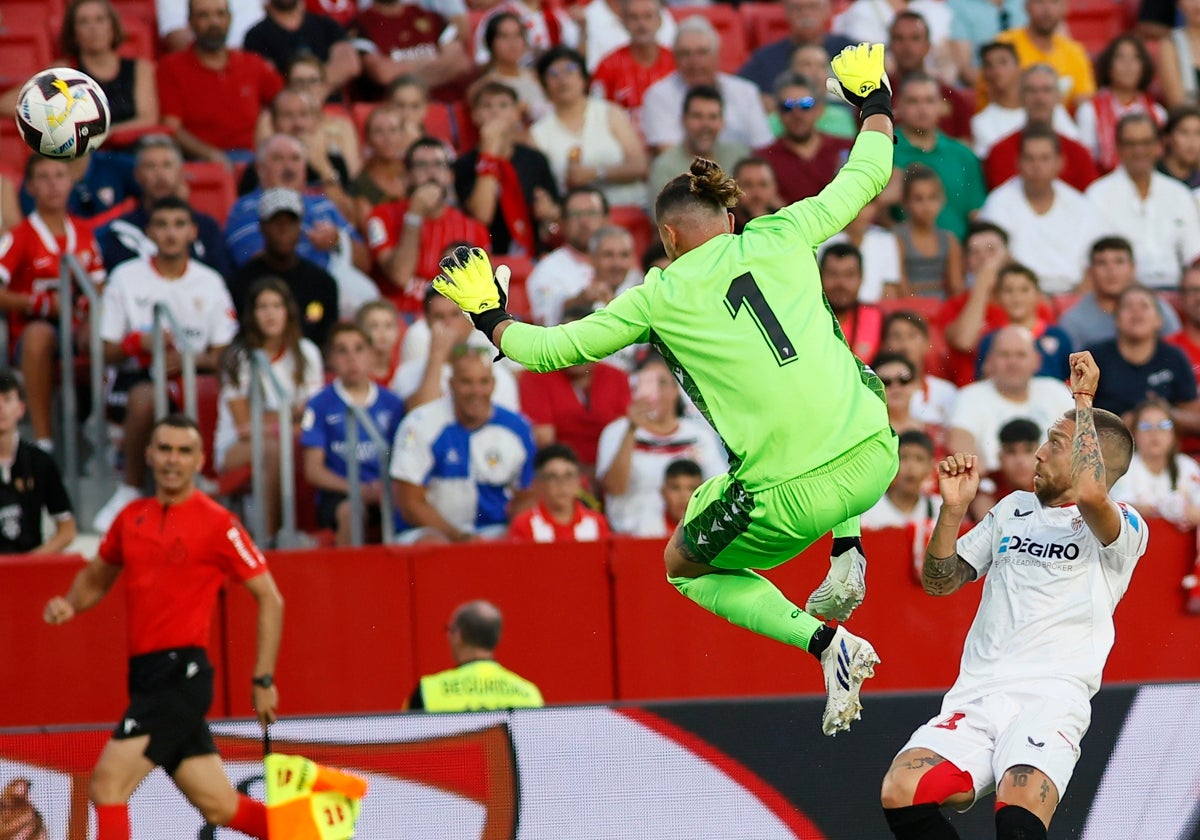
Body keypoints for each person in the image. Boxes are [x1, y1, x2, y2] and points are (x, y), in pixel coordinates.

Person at [432, 43, 900, 735]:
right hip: (879, 453)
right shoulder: (785, 230)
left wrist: (488, 314)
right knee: (836, 356)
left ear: (668, 237)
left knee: (681, 563)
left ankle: (827, 645)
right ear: (730, 218)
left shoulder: (658, 294)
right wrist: (874, 102)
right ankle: (848, 548)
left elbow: (552, 350)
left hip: (793, 498)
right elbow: (869, 170)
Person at [879, 352, 1145, 840]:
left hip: (1049, 698)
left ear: (1093, 460)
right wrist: (953, 512)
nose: (1040, 453)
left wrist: (1083, 400)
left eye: (1055, 444)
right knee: (902, 790)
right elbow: (942, 582)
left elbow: (1090, 494)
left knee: (1018, 821)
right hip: (978, 695)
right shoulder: (1012, 509)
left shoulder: (1124, 527)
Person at [43, 414, 284, 840]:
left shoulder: (218, 524)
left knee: (107, 785)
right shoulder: (130, 518)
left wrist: (263, 677)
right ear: (149, 455)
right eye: (166, 449)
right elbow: (96, 578)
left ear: (200, 460)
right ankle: (312, 835)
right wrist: (69, 604)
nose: (173, 460)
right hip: (147, 678)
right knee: (221, 804)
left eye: (184, 451)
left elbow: (270, 597)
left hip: (180, 675)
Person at [94, 197, 240, 533]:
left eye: (178, 225)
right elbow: (105, 347)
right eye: (162, 225)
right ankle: (129, 488)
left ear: (193, 232)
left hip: (193, 376)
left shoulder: (210, 282)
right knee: (146, 396)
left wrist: (189, 359)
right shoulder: (126, 277)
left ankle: (204, 480)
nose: (171, 233)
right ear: (150, 233)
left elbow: (224, 352)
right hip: (134, 375)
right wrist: (138, 343)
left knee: (214, 388)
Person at [0, 156, 106, 453]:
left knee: (108, 331)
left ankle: (108, 424)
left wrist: (88, 318)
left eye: (59, 175)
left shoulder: (84, 232)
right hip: (33, 331)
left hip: (78, 328)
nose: (53, 184)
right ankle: (44, 440)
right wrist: (42, 304)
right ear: (30, 187)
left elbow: (100, 286)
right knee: (39, 335)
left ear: (71, 181)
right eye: (43, 177)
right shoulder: (19, 236)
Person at [390, 346, 537, 543]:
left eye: (483, 382)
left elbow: (527, 495)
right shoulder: (419, 424)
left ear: (493, 384)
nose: (476, 391)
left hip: (495, 531)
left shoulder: (517, 427)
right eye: (466, 382)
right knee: (433, 545)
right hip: (432, 532)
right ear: (451, 384)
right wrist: (461, 538)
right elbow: (410, 503)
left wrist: (511, 534)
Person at [215, 278, 324, 540]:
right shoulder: (238, 357)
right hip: (235, 447)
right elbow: (244, 427)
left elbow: (312, 416)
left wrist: (271, 419)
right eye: (262, 307)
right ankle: (269, 538)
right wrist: (288, 417)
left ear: (288, 311)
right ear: (251, 314)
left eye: (276, 305)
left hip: (291, 439)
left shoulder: (306, 352)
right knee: (274, 447)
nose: (270, 313)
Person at [595, 352, 727, 534]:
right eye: (647, 382)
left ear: (676, 390)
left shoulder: (699, 435)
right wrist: (632, 429)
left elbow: (719, 490)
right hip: (631, 539)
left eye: (662, 383)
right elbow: (614, 488)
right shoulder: (616, 432)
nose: (655, 391)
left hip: (687, 539)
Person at [301, 323, 406, 546]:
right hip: (341, 494)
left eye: (359, 349)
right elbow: (314, 470)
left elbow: (404, 459)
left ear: (371, 355)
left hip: (384, 490)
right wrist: (357, 489)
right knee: (352, 511)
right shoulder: (319, 404)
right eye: (342, 350)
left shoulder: (393, 403)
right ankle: (350, 577)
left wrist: (384, 487)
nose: (351, 358)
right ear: (330, 359)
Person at [366, 137, 491, 311]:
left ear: (450, 176)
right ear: (407, 176)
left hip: (452, 315)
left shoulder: (474, 229)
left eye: (439, 164)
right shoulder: (380, 217)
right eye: (421, 165)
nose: (431, 173)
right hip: (400, 315)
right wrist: (414, 215)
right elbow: (400, 276)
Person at [156, 0, 284, 166]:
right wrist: (210, 155)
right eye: (204, 15)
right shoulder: (171, 67)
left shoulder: (252, 63)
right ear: (190, 21)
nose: (214, 22)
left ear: (230, 19)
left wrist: (266, 121)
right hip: (200, 161)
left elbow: (285, 102)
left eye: (220, 14)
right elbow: (172, 127)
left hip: (252, 160)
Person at [978, 125, 1100, 294]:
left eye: (1045, 159)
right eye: (1030, 159)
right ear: (1018, 162)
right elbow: (997, 259)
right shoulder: (998, 203)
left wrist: (1073, 304)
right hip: (1018, 296)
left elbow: (1093, 262)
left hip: (1073, 295)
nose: (1037, 166)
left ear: (1060, 162)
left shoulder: (1080, 205)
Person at [225, 133, 369, 274]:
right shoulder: (245, 209)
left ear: (305, 169)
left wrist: (338, 241)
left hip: (332, 288)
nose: (289, 167)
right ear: (260, 169)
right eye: (278, 159)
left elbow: (365, 264)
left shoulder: (324, 204)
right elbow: (256, 267)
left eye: (295, 159)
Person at [1086, 113, 1200, 291]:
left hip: (1177, 291)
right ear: (1118, 147)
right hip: (1122, 292)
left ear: (1158, 146)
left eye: (1146, 143)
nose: (1139, 151)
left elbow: (1193, 255)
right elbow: (1098, 257)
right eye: (1131, 144)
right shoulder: (1099, 195)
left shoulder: (1178, 194)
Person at [530, 46, 649, 209]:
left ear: (583, 78)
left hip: (627, 206)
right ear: (544, 84)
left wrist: (596, 173)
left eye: (570, 70)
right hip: (576, 218)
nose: (563, 80)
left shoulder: (610, 113)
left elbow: (640, 165)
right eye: (554, 74)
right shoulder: (538, 133)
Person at [518, 305, 631, 475]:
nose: (577, 351)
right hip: (557, 476)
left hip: (609, 476)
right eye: (569, 343)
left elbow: (623, 436)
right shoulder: (537, 374)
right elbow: (544, 442)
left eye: (585, 342)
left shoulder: (617, 377)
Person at [97, 135, 232, 277]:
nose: (160, 174)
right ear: (137, 175)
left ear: (181, 173)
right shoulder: (123, 231)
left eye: (167, 165)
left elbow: (221, 280)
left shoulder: (206, 227)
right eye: (151, 166)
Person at [945, 325, 1074, 472]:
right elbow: (959, 440)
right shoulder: (970, 396)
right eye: (1004, 354)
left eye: (1021, 355)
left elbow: (1082, 438)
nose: (1012, 363)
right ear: (990, 360)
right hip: (996, 488)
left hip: (1054, 486)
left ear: (1037, 361)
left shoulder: (1056, 390)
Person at [455, 82, 561, 258]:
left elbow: (556, 209)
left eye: (503, 105)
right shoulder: (464, 164)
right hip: (484, 257)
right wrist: (488, 153)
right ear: (474, 115)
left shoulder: (534, 159)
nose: (495, 112)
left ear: (516, 115)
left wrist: (548, 211)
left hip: (532, 255)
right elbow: (482, 215)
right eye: (487, 106)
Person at [641, 17, 774, 154]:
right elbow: (669, 155)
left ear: (717, 54)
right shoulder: (658, 96)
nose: (694, 62)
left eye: (702, 52)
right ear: (675, 58)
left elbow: (762, 147)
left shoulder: (745, 91)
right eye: (685, 54)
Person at [226, 188, 340, 347]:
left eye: (290, 223)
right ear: (262, 227)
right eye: (276, 222)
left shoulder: (322, 283)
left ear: (300, 227)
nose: (283, 229)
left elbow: (328, 341)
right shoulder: (240, 282)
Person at [1086, 286, 1200, 427]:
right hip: (1107, 445)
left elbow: (1195, 418)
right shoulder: (1094, 357)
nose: (1136, 312)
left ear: (1159, 320)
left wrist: (1161, 415)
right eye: (1128, 306)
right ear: (1116, 319)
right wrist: (1119, 425)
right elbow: (1074, 410)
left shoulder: (1174, 357)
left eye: (1144, 306)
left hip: (1163, 445)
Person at [892, 73, 987, 241]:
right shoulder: (882, 151)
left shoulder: (963, 154)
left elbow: (976, 213)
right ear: (899, 105)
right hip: (901, 253)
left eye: (929, 101)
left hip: (959, 253)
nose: (922, 109)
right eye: (913, 101)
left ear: (941, 106)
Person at [405, 600, 544, 712]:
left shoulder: (427, 691)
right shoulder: (529, 694)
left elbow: (406, 742)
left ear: (458, 635)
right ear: (497, 638)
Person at [983, 64, 1097, 193]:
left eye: (1047, 90)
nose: (1039, 98)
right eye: (1031, 90)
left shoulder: (1079, 154)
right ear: (1020, 97)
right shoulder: (1000, 152)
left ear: (1059, 97)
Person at [1058, 237, 1181, 352]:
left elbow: (1176, 352)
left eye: (1119, 261)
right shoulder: (1074, 320)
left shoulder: (1156, 308)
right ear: (1090, 271)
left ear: (1132, 268)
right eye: (1102, 263)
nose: (1111, 270)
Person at [0, 370, 76, 554]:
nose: (0, 407)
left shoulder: (40, 461)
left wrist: (32, 561)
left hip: (29, 568)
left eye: (8, 399)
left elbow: (67, 530)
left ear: (21, 408)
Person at [647, 86, 749, 216]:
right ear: (684, 120)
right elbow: (662, 218)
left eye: (713, 117)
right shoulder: (665, 166)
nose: (705, 125)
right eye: (697, 116)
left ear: (722, 122)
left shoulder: (738, 156)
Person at [756, 72, 854, 205]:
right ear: (777, 112)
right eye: (787, 106)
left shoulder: (846, 148)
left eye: (805, 105)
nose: (797, 114)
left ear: (819, 110)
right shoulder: (764, 158)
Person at [970, 41, 1078, 160]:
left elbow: (1074, 148)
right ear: (984, 73)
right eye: (988, 65)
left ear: (1018, 67)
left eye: (1003, 62)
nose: (996, 70)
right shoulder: (981, 122)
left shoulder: (1050, 108)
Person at [1075, 35, 1166, 174]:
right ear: (1109, 66)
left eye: (1135, 58)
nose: (1127, 65)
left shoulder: (1158, 113)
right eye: (1120, 58)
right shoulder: (1089, 111)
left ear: (1143, 67)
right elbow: (1086, 161)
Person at [350, 0, 472, 102]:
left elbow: (461, 64)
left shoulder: (431, 17)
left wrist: (403, 71)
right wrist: (434, 62)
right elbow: (383, 74)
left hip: (443, 106)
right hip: (394, 114)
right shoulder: (361, 23)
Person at [242, 0, 361, 102]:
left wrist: (317, 92)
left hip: (330, 110)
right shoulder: (256, 35)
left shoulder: (326, 24)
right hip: (286, 114)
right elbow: (266, 80)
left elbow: (350, 64)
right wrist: (302, 99)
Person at [526, 186, 610, 326]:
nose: (584, 222)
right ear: (562, 222)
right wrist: (580, 300)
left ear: (606, 220)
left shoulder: (622, 261)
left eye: (592, 213)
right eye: (576, 214)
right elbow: (546, 319)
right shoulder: (547, 269)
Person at [974, 263, 1072, 380]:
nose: (1017, 297)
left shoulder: (1058, 337)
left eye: (1024, 290)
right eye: (1009, 290)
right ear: (998, 297)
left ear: (1038, 295)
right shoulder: (991, 340)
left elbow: (1070, 382)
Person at [1111, 398, 1200, 527]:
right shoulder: (1123, 467)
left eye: (1164, 425)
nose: (1154, 433)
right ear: (1134, 433)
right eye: (1145, 426)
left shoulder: (1187, 465)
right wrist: (1160, 509)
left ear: (1174, 433)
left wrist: (1186, 512)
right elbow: (1119, 509)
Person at [590, 0, 677, 130]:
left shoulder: (677, 63)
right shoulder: (607, 66)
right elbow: (596, 115)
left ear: (659, 21)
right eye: (634, 17)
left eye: (648, 16)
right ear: (623, 21)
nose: (641, 24)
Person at [992, 0, 1095, 109]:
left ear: (1064, 8)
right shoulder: (1005, 45)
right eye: (1039, 2)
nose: (1047, 10)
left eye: (1054, 2)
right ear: (1027, 7)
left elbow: (1085, 99)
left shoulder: (1075, 52)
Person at [737, 0, 854, 96]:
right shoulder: (765, 59)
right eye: (797, 8)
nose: (805, 13)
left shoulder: (850, 52)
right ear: (786, 12)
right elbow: (740, 90)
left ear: (828, 10)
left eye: (813, 7)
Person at [889, 11, 972, 136]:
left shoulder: (951, 98)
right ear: (890, 46)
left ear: (928, 46)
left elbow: (965, 146)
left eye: (915, 38)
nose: (907, 46)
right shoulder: (875, 95)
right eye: (899, 38)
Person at [509, 444, 611, 542]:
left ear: (579, 482)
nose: (562, 484)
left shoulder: (597, 523)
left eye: (569, 475)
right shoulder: (524, 525)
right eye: (553, 477)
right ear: (538, 484)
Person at [894, 164, 962, 299]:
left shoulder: (949, 239)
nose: (926, 206)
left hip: (943, 309)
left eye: (932, 198)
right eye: (918, 199)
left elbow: (956, 286)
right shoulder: (898, 238)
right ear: (905, 202)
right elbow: (901, 287)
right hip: (910, 308)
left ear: (942, 200)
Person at [880, 309, 958, 428]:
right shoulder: (874, 391)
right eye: (896, 336)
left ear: (926, 343)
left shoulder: (945, 392)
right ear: (885, 344)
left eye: (912, 335)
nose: (904, 344)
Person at [818, 196, 902, 302]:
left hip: (874, 313)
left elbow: (890, 291)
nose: (860, 211)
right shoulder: (822, 240)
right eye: (853, 203)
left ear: (876, 207)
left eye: (866, 204)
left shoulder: (885, 239)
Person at [347, 105, 416, 228]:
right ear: (368, 139)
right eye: (379, 132)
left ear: (402, 135)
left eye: (393, 130)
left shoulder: (415, 172)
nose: (387, 138)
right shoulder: (361, 183)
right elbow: (368, 230)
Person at [475, 13, 551, 124]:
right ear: (491, 42)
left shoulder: (534, 76)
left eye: (518, 35)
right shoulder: (487, 83)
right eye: (504, 36)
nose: (513, 43)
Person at [861, 429, 941, 529]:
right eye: (904, 457)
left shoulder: (939, 509)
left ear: (930, 466)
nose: (911, 466)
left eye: (919, 459)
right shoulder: (868, 510)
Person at [969, 416, 1041, 520]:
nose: (1020, 461)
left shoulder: (1051, 484)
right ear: (1000, 456)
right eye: (1011, 452)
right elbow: (990, 528)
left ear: (1040, 454)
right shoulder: (986, 485)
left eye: (1028, 451)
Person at [820, 242, 883, 362]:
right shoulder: (806, 318)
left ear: (861, 278)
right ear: (819, 276)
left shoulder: (877, 317)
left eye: (849, 275)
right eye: (833, 274)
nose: (840, 283)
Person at [633, 457, 704, 538]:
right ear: (663, 492)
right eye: (675, 488)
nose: (683, 496)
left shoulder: (715, 529)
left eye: (692, 488)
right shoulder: (647, 530)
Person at [1155, 0, 1200, 108]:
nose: (1197, 4)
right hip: (1190, 119)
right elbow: (1177, 103)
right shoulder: (1170, 44)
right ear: (1179, 4)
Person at [356, 299, 404, 386]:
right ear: (360, 331)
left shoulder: (403, 368)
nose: (382, 332)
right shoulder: (354, 371)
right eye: (374, 326)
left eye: (389, 325)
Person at [729, 157, 782, 233]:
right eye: (747, 185)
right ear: (733, 189)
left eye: (763, 185)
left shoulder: (783, 223)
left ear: (774, 188)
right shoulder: (723, 226)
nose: (757, 194)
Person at [1157, 105, 1200, 190]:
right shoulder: (1152, 176)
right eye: (1184, 132)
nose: (1191, 142)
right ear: (1167, 137)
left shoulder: (1198, 182)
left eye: (1198, 133)